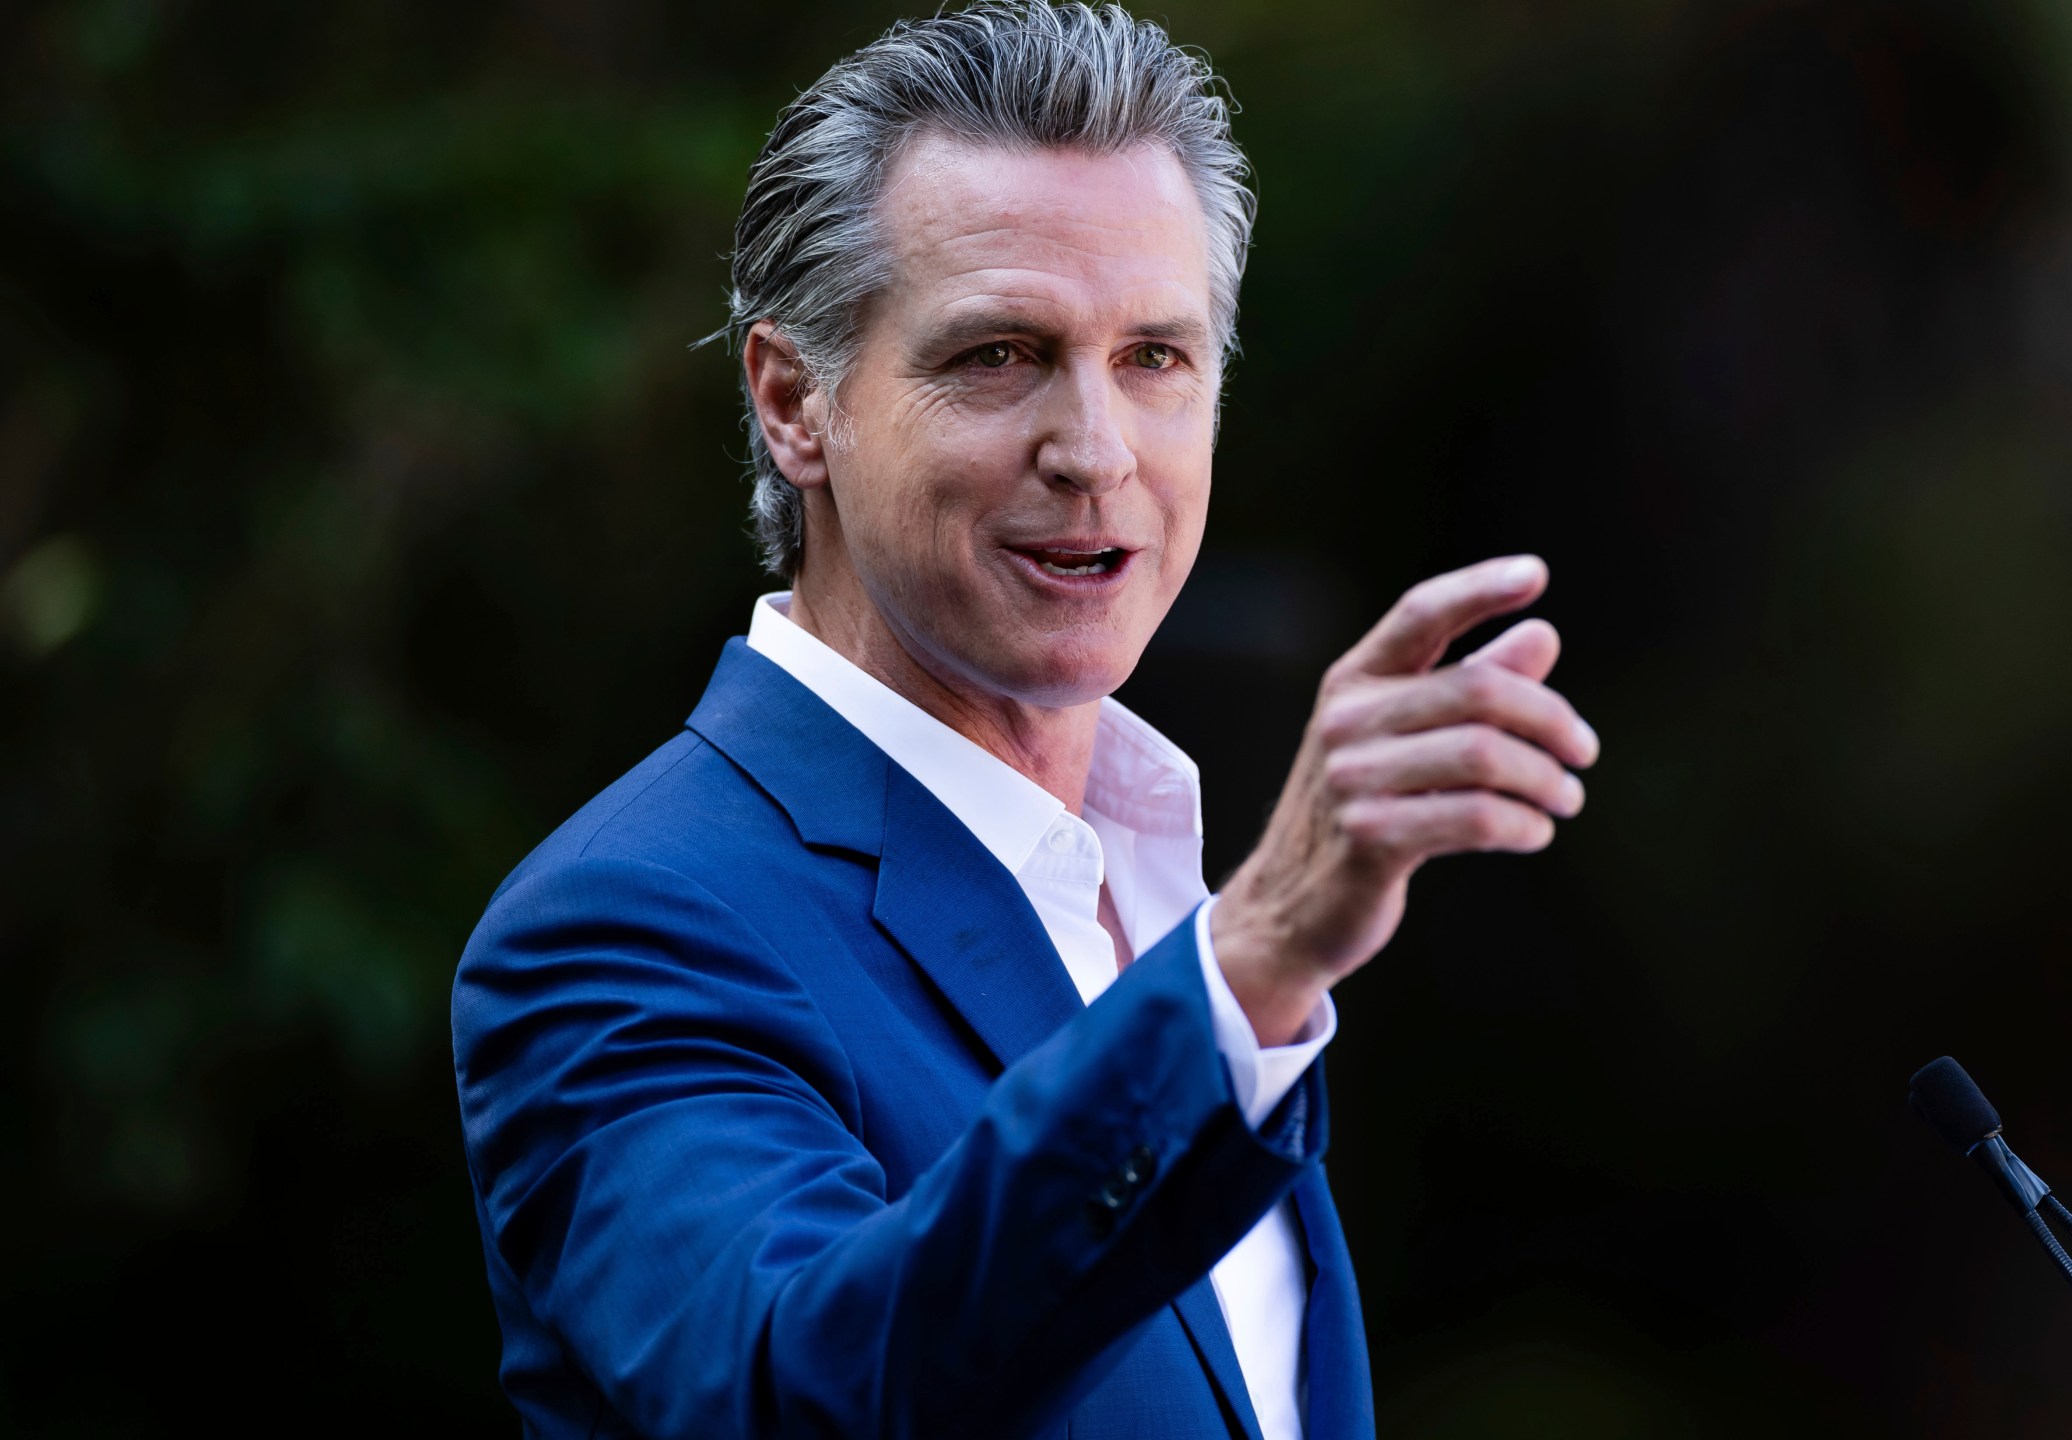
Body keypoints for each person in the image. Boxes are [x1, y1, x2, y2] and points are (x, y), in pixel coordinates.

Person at [449, 5, 1600, 1437]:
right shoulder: (627, 919)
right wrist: (1247, 963)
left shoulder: (1160, 879)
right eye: (1000, 354)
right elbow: (798, 1393)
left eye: (1157, 359)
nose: (1096, 451)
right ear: (796, 402)